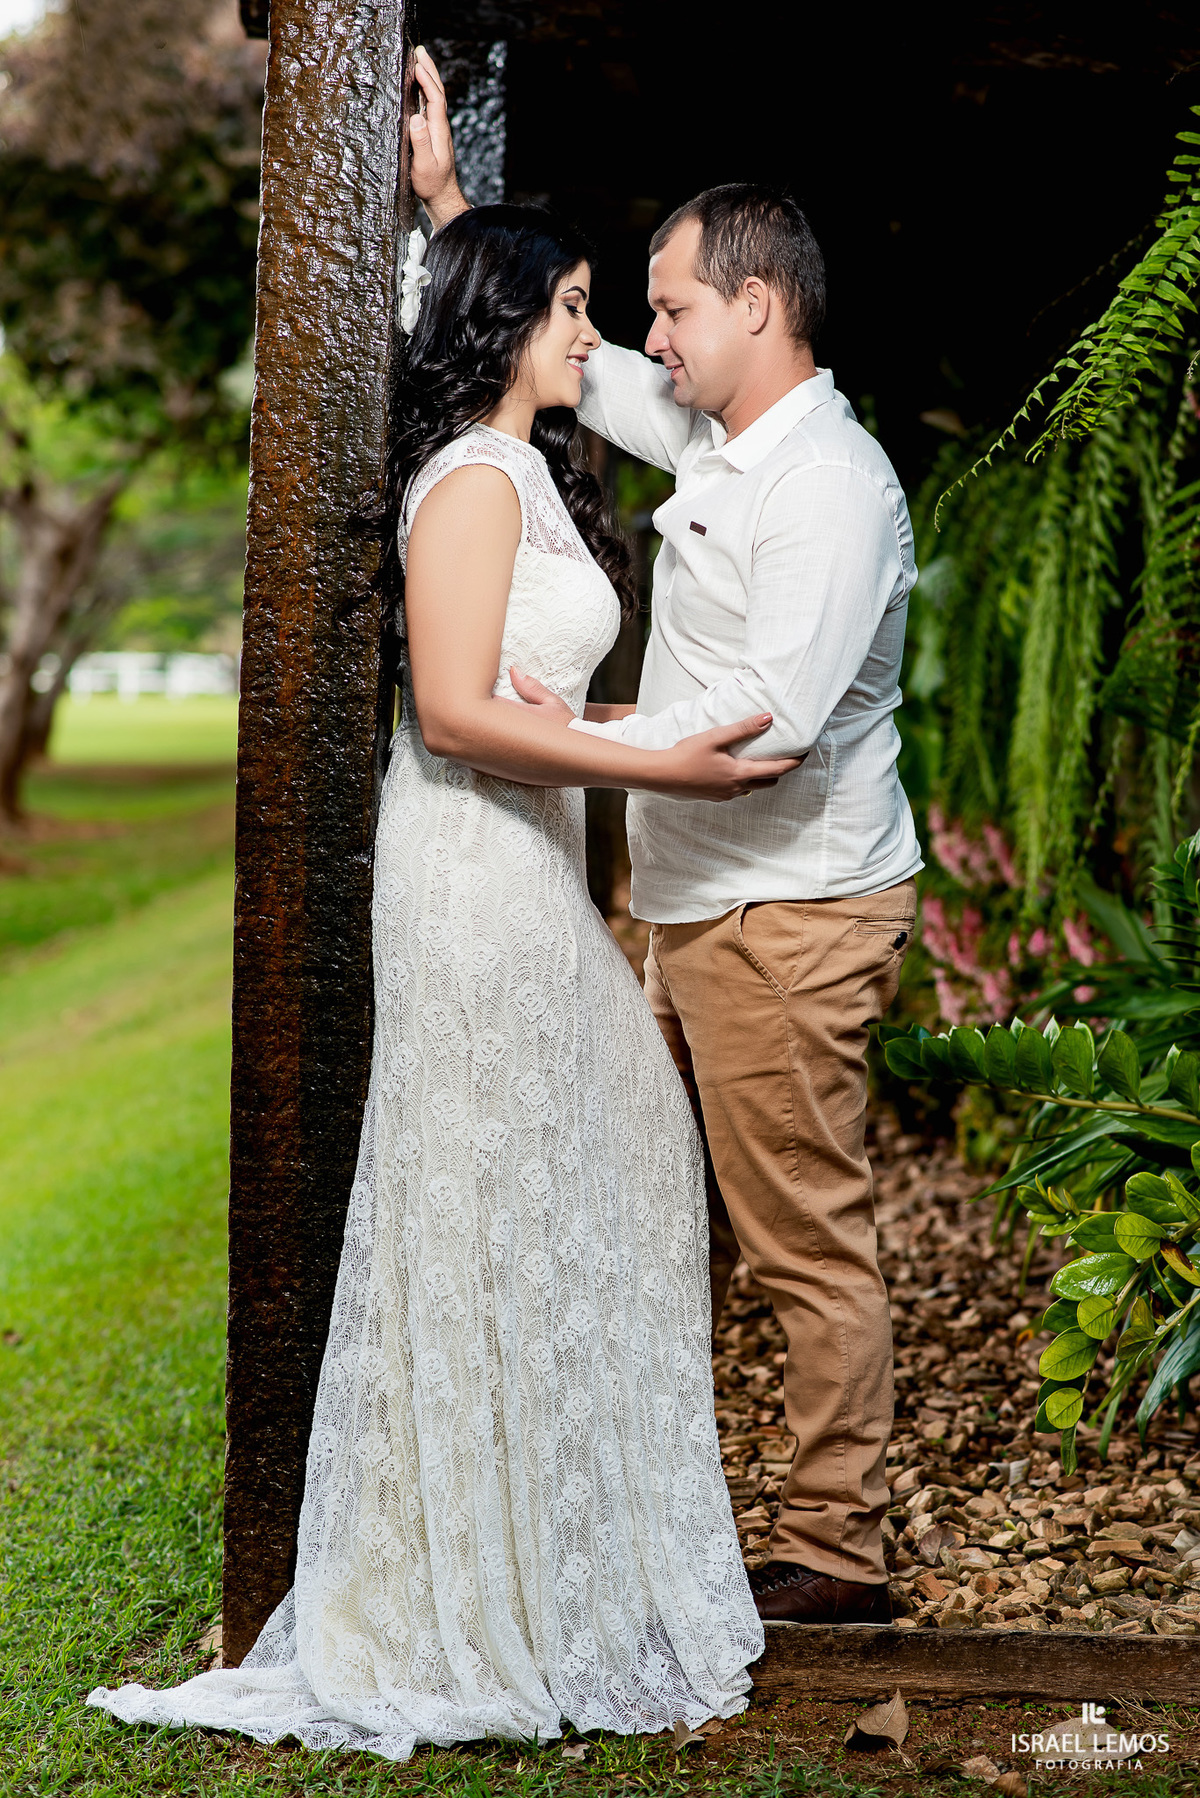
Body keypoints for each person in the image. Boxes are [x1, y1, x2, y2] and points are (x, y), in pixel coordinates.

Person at [87, 204, 798, 1759]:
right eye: (570, 307)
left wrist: (618, 735)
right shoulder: (473, 476)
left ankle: (549, 1560)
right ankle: (460, 1585)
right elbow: (464, 718)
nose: (590, 336)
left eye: (599, 308)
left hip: (526, 855)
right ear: (505, 322)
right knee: (512, 1172)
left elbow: (515, 696)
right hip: (470, 867)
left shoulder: (529, 473)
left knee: (578, 1162)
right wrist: (661, 763)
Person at [411, 45, 923, 1626]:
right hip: (696, 900)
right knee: (653, 1206)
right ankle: (657, 1495)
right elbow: (535, 348)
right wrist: (446, 205)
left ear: (758, 308)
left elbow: (760, 726)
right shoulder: (715, 437)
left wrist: (549, 735)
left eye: (673, 305)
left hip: (788, 906)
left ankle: (834, 1547)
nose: (646, 335)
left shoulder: (827, 485)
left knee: (796, 1236)